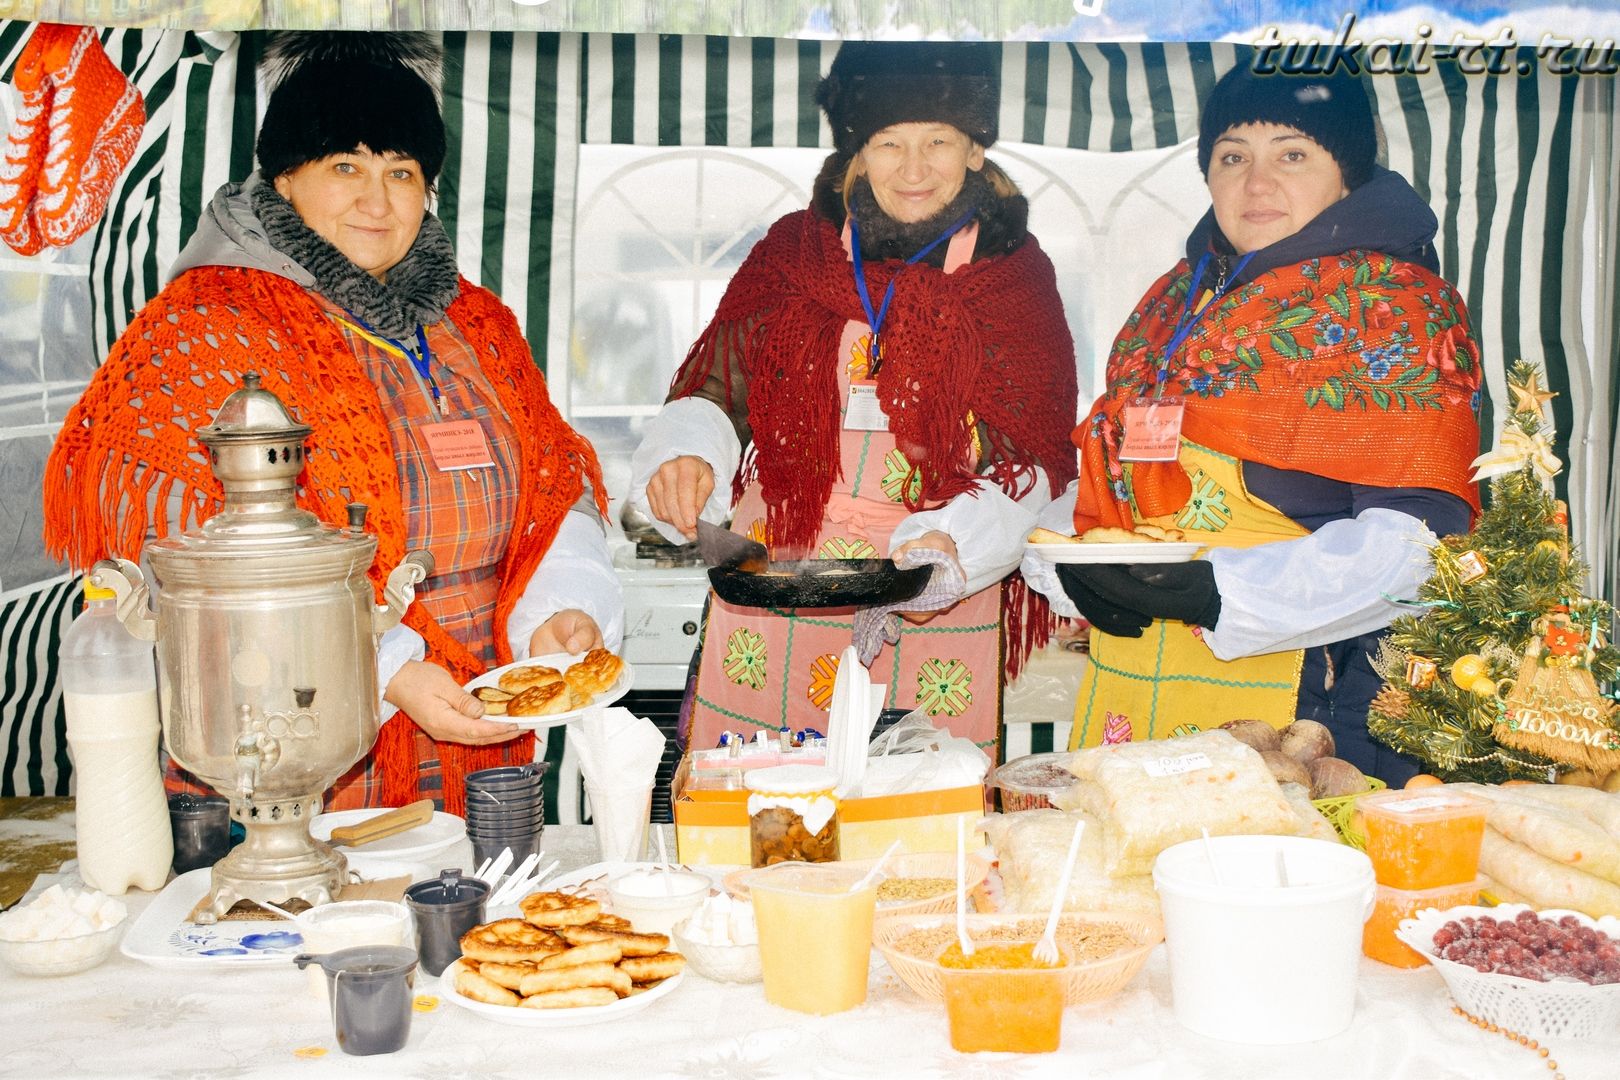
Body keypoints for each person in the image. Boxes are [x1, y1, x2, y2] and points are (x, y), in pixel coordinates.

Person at [42, 33, 622, 814]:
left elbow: (555, 492)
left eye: (402, 172)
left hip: (480, 726)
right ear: (285, 179)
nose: (377, 201)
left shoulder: (476, 324)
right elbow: (179, 546)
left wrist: (555, 614)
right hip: (290, 749)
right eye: (346, 166)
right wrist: (387, 667)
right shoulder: (206, 326)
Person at [1022, 64, 1482, 784]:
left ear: (1347, 173)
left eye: (1292, 154)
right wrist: (1071, 566)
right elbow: (1114, 471)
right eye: (1233, 156)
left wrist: (1222, 591)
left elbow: (1422, 549)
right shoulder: (1176, 302)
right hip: (1138, 684)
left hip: (1306, 711)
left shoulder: (1396, 309)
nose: (1256, 184)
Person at [629, 42, 1077, 755]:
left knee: (918, 821)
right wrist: (688, 454)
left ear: (975, 152)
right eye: (888, 143)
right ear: (857, 153)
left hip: (936, 581)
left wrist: (956, 543)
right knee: (759, 806)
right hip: (781, 577)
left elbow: (1037, 452)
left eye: (939, 142)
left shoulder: (1015, 276)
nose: (914, 167)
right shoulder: (792, 250)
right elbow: (719, 382)